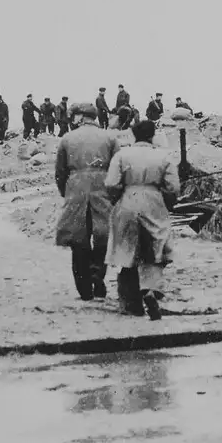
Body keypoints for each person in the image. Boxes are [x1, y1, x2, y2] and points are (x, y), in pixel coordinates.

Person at [105, 119, 180, 320]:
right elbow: (173, 187)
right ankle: (150, 290)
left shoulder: (122, 155)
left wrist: (118, 198)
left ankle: (130, 304)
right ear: (152, 135)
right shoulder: (164, 156)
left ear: (134, 135)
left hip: (128, 201)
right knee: (155, 249)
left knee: (127, 251)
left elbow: (111, 184)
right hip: (154, 201)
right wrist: (166, 203)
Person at [55, 102, 120, 300]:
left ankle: (84, 289)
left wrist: (66, 192)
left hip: (76, 188)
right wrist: (114, 194)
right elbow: (118, 167)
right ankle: (97, 274)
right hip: (103, 186)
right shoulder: (110, 137)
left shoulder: (67, 138)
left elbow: (60, 172)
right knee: (104, 235)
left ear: (81, 117)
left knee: (78, 239)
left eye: (74, 116)